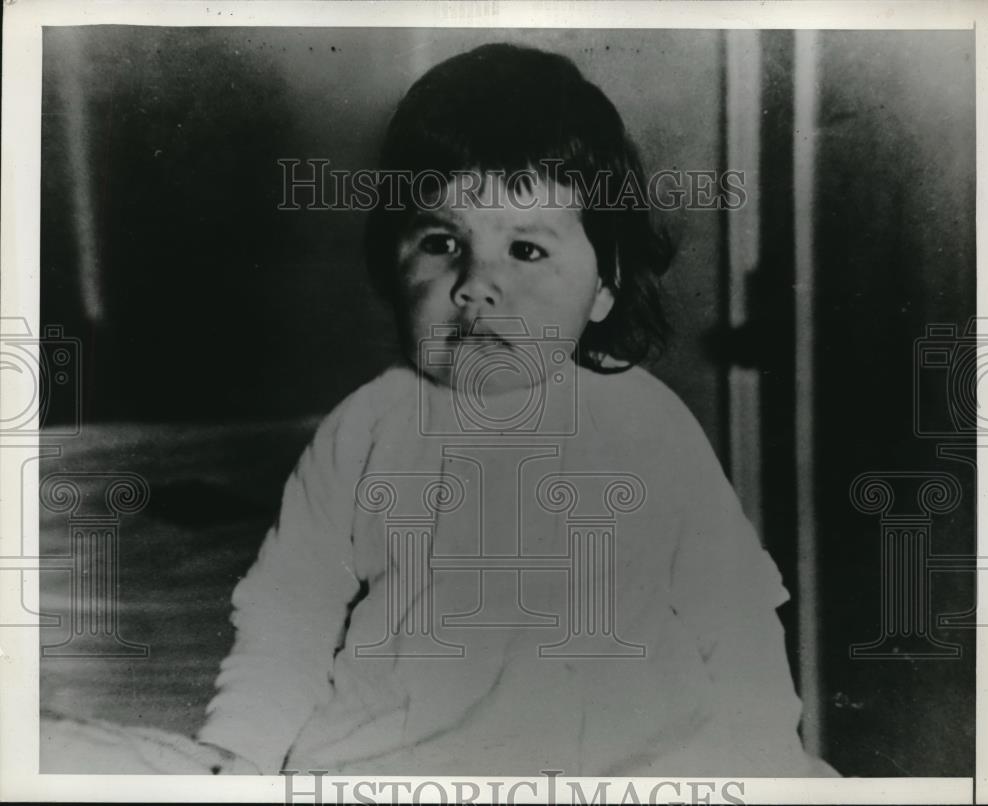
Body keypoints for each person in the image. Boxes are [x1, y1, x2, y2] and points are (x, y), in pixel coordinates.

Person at [197, 42, 837, 777]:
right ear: (390, 265)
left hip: (633, 766)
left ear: (604, 284)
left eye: (526, 251)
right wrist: (236, 753)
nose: (476, 285)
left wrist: (764, 761)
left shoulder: (644, 424)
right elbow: (286, 619)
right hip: (403, 762)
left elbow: (734, 616)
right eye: (442, 241)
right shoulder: (364, 431)